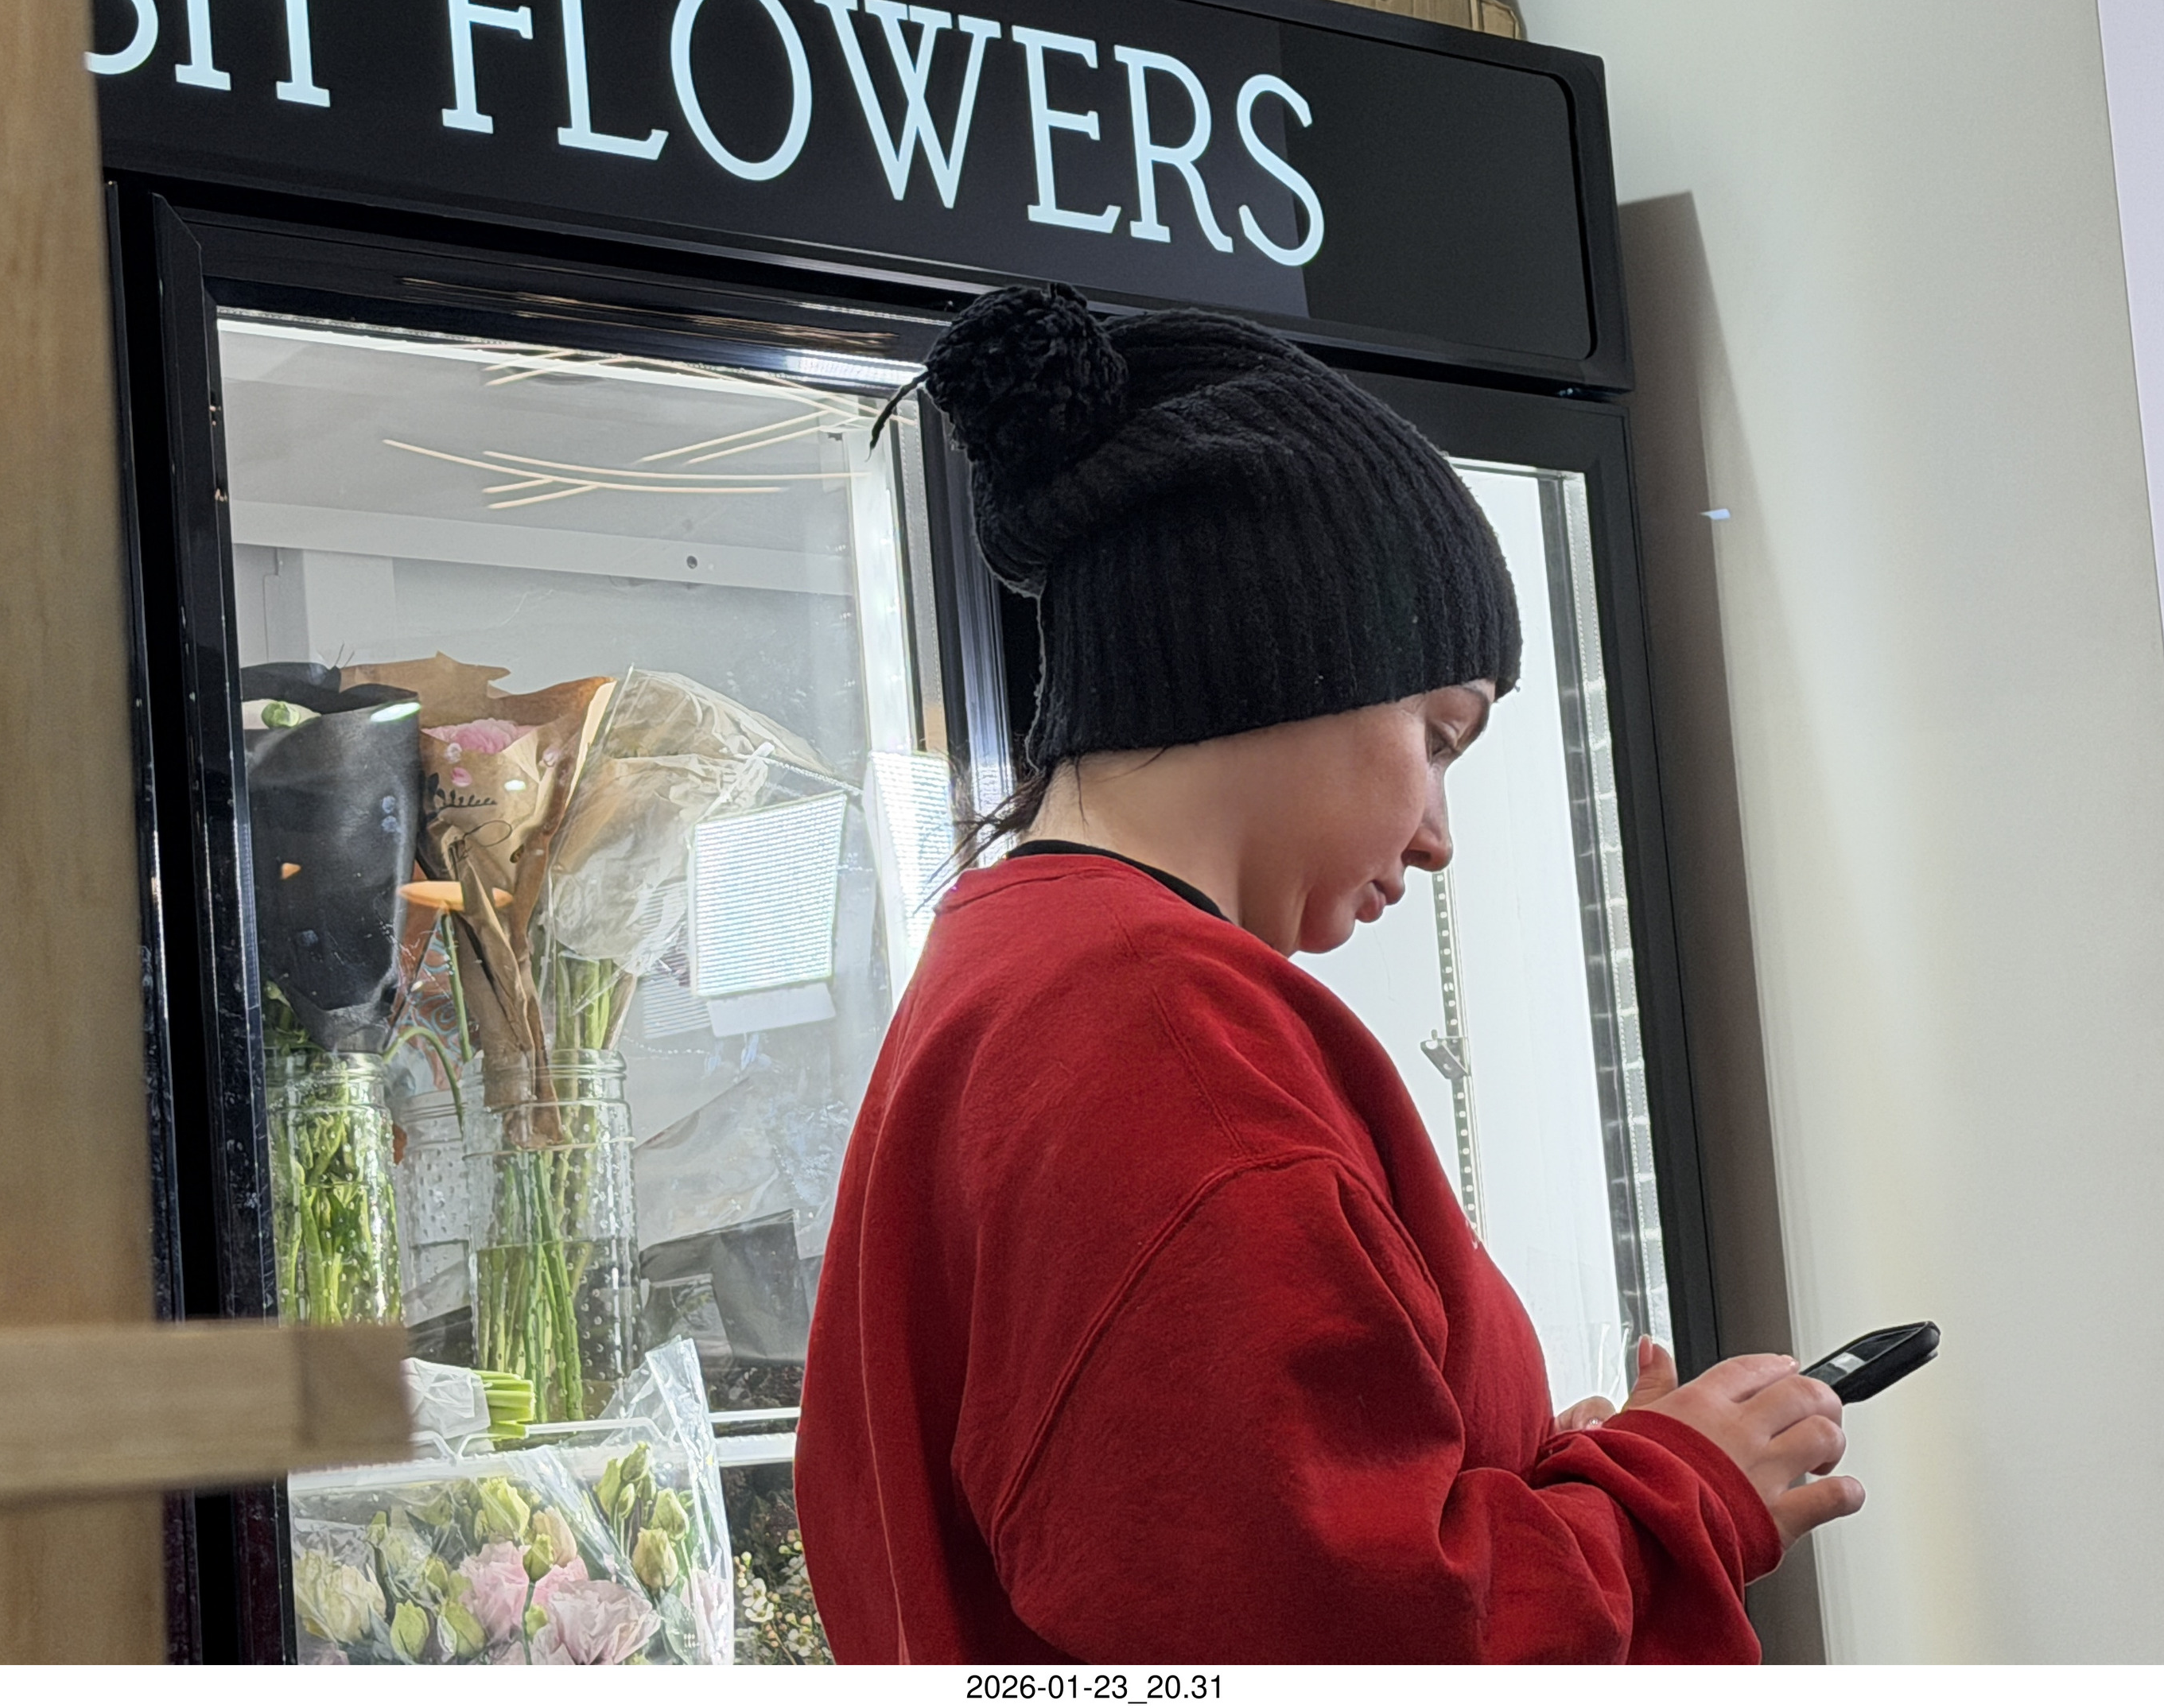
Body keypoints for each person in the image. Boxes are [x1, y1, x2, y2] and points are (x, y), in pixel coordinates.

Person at [795, 285, 1862, 1662]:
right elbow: (1346, 1637)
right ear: (1290, 652)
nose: (1437, 837)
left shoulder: (1014, 960)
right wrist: (1677, 1499)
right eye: (1440, 735)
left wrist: (1559, 1480)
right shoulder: (1161, 1033)